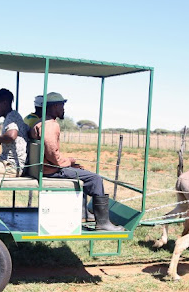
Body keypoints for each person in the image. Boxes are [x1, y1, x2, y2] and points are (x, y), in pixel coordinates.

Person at [31, 92, 123, 231]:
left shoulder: (39, 122)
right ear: (54, 106)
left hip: (45, 168)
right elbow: (52, 154)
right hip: (51, 171)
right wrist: (69, 161)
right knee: (95, 179)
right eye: (62, 106)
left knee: (81, 171)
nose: (63, 109)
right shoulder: (51, 125)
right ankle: (103, 223)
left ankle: (84, 212)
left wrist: (70, 163)